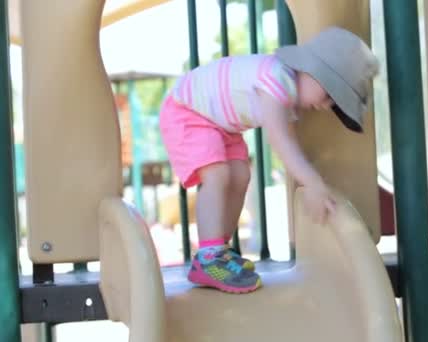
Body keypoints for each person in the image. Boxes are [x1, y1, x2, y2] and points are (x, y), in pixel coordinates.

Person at [159, 27, 379, 293]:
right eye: (330, 95)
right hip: (187, 110)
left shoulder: (286, 92)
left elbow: (287, 141)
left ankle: (220, 253)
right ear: (312, 70)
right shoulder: (275, 79)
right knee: (217, 175)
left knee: (240, 175)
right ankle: (208, 259)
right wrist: (312, 182)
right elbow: (280, 140)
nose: (325, 106)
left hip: (220, 125)